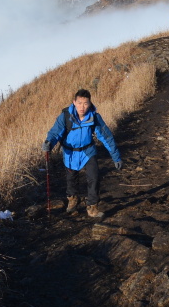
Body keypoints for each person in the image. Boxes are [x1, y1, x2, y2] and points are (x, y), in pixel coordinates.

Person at [44, 88, 122, 218]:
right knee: (71, 179)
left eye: (86, 103)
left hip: (88, 151)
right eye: (79, 103)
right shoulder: (65, 116)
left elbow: (106, 137)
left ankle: (92, 206)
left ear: (90, 103)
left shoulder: (94, 117)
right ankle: (73, 200)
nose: (82, 107)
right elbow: (55, 132)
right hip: (70, 153)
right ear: (74, 102)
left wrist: (116, 157)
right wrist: (49, 143)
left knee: (94, 177)